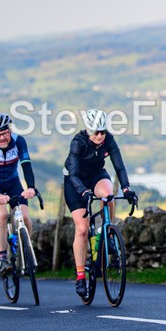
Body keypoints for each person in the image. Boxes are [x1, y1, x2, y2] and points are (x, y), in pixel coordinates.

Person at [63, 108, 136, 298]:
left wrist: (126, 188)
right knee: (82, 229)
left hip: (96, 176)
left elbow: (119, 165)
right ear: (88, 130)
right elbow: (73, 174)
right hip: (75, 182)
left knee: (108, 194)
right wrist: (84, 192)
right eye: (97, 132)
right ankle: (80, 276)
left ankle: (108, 233)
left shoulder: (108, 139)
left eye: (103, 130)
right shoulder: (78, 143)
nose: (101, 135)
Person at [0, 113, 38, 276]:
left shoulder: (19, 141)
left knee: (24, 216)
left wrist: (31, 187)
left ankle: (25, 248)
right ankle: (2, 258)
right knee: (2, 215)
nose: (2, 138)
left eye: (4, 133)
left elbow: (26, 166)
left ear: (10, 131)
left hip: (12, 182)